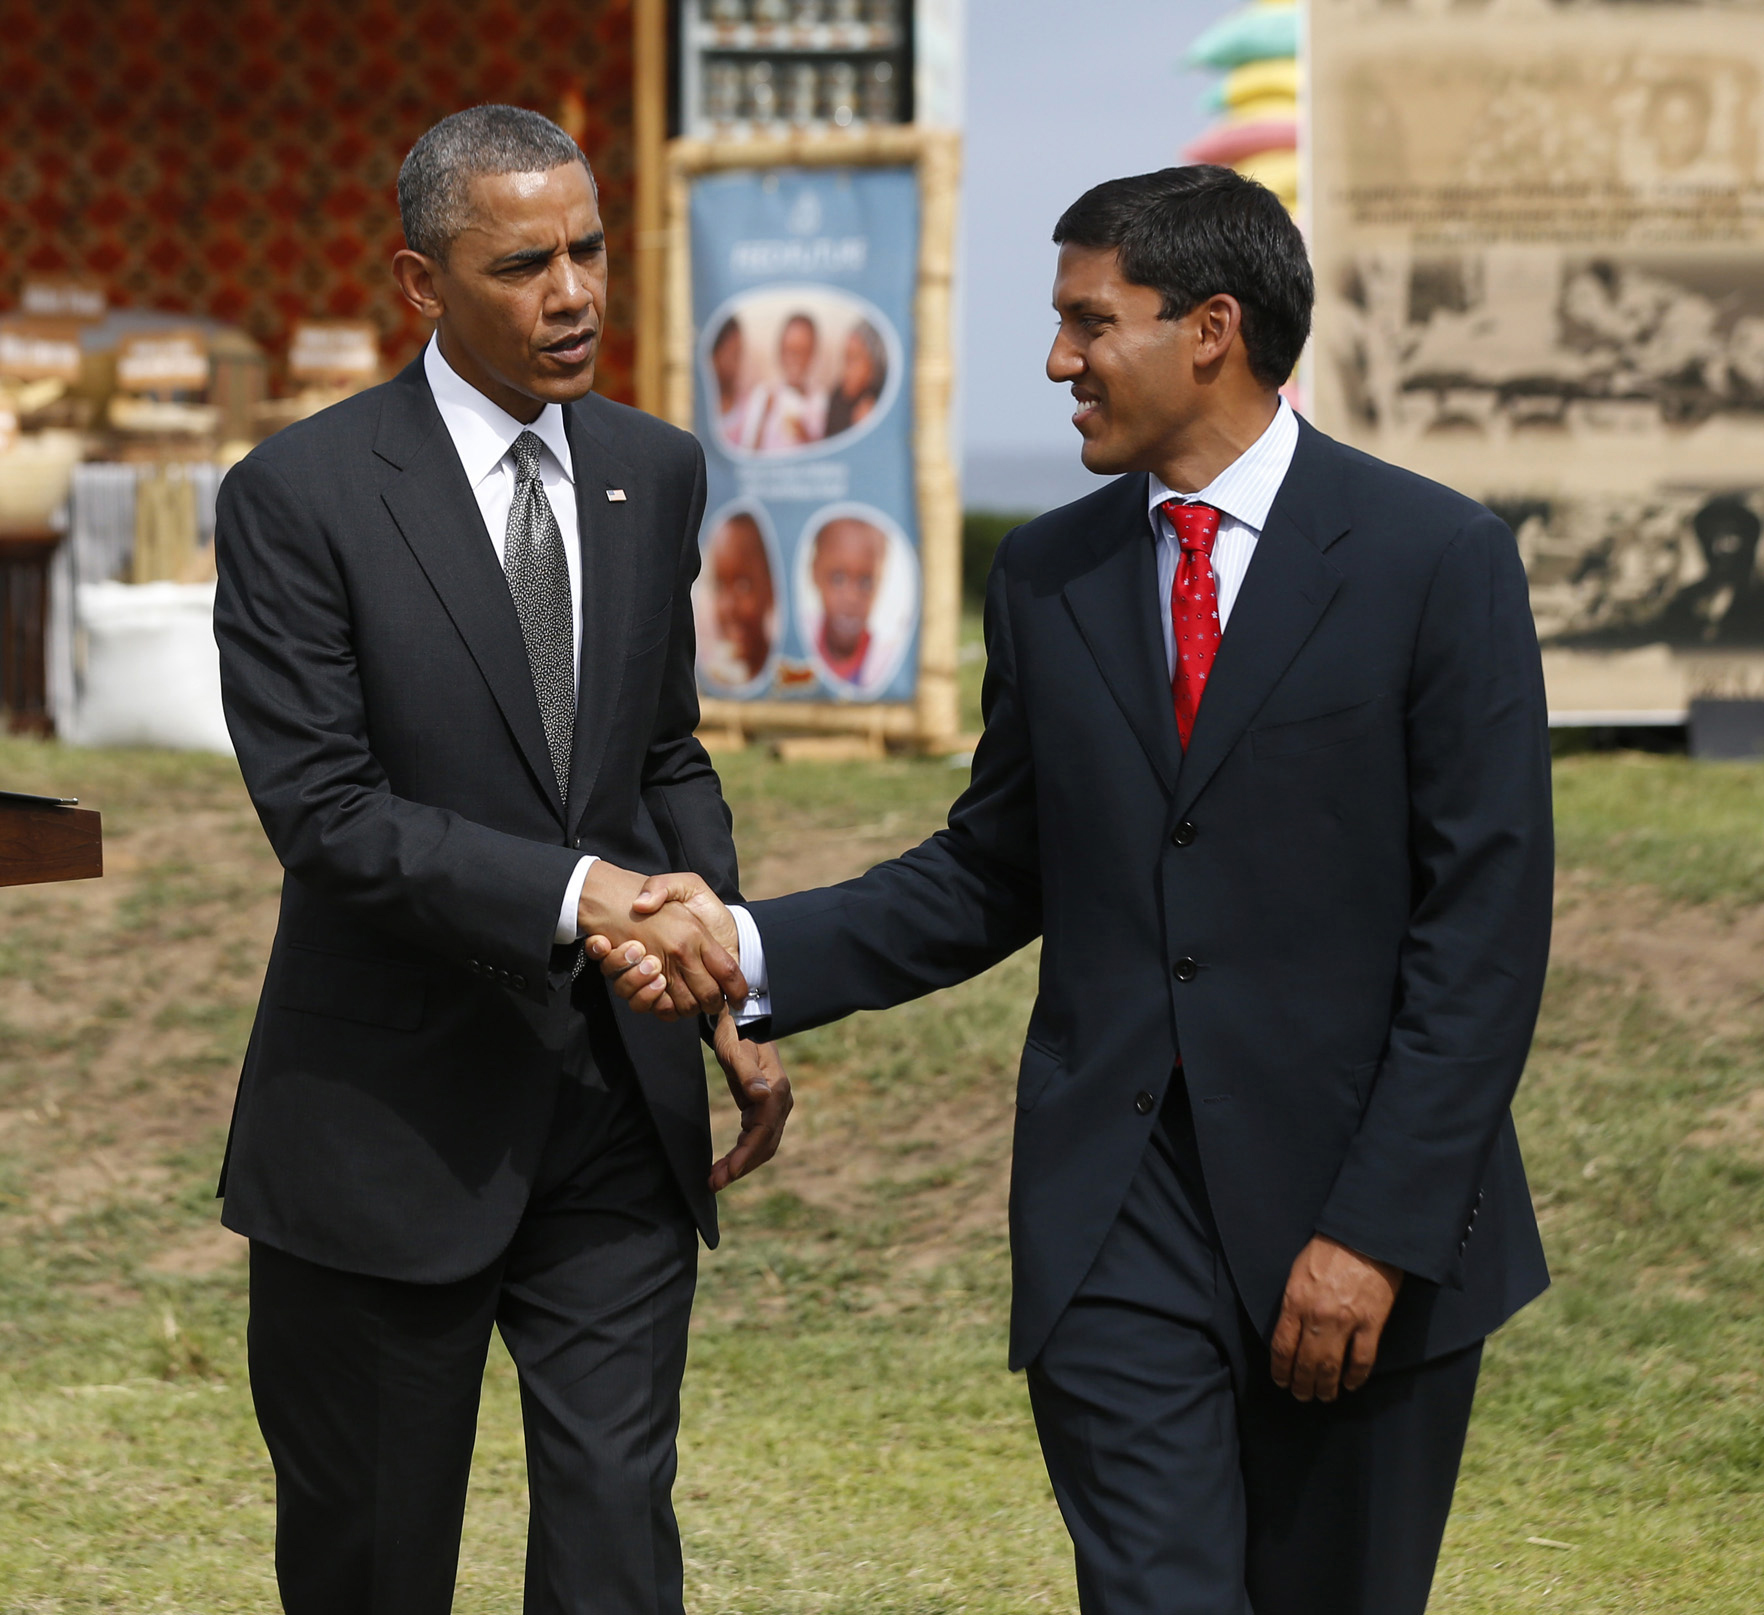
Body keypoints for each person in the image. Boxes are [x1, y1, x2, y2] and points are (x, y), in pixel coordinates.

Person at [596, 166, 1555, 1615]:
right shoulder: (1048, 574)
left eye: (1087, 322)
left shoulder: (1441, 562)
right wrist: (738, 943)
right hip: (1116, 1221)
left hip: (1361, 1226)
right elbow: (992, 867)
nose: (1057, 361)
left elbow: (1482, 932)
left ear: (1212, 328)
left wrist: (1376, 1233)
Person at [211, 103, 787, 1615]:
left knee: (614, 1541)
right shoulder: (299, 497)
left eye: (590, 250)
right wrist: (571, 892)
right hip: (387, 1125)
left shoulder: (656, 471)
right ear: (420, 283)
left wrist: (713, 951)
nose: (575, 293)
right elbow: (324, 809)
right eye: (525, 263)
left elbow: (661, 753)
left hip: (615, 1104)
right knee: (375, 1562)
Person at [807, 515, 886, 688]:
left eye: (866, 582)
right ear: (814, 572)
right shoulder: (799, 639)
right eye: (838, 578)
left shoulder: (883, 662)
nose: (852, 597)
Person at [703, 509, 776, 687]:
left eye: (743, 586)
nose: (728, 607)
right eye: (719, 585)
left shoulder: (781, 671)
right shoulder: (714, 678)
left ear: (769, 585)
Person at [750, 312, 824, 453]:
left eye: (803, 351)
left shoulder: (820, 398)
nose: (795, 359)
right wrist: (764, 416)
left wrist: (805, 435)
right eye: (790, 351)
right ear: (780, 351)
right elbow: (747, 454)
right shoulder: (764, 394)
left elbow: (826, 457)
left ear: (812, 354)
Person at [822, 321, 888, 439]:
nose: (846, 371)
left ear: (874, 364)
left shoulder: (884, 401)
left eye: (854, 359)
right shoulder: (837, 397)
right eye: (845, 358)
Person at [710, 314, 762, 449]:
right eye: (734, 355)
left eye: (740, 355)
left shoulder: (752, 405)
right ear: (714, 356)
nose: (739, 364)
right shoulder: (697, 406)